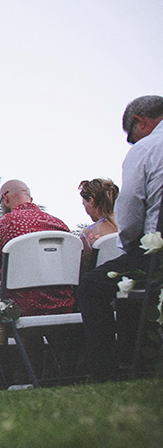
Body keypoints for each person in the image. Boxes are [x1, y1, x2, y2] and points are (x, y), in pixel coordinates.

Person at [0, 179, 76, 391]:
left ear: (6, 199)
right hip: (64, 304)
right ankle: (35, 377)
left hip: (21, 309)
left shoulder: (1, 224)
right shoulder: (58, 224)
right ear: (30, 198)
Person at [77, 95, 163, 380]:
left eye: (131, 136)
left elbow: (132, 210)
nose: (132, 142)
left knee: (92, 286)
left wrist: (130, 248)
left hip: (157, 251)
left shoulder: (146, 148)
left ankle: (106, 373)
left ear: (139, 122)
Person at [78, 178, 119, 274]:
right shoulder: (131, 226)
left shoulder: (88, 233)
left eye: (84, 204)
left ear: (91, 200)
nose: (86, 211)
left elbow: (84, 270)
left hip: (102, 284)